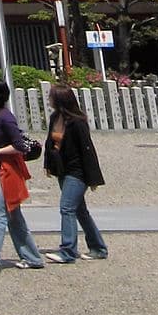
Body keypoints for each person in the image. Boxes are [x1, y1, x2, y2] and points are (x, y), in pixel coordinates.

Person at [0, 77, 45, 270]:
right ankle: (32, 258)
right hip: (0, 167)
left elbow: (19, 146)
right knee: (13, 216)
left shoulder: (5, 116)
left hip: (9, 170)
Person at [42, 85, 109, 262]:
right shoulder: (55, 117)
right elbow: (50, 144)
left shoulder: (77, 122)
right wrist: (48, 165)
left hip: (77, 171)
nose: (49, 99)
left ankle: (68, 251)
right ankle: (98, 247)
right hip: (62, 169)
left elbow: (87, 150)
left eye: (51, 97)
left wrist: (93, 178)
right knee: (80, 211)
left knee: (67, 208)